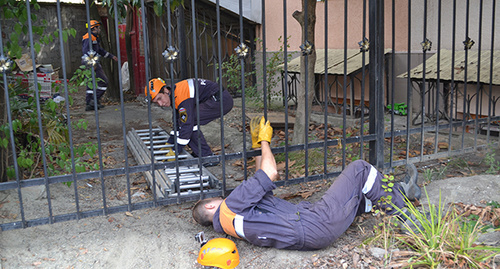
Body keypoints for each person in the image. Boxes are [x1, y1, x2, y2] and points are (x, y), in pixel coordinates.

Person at [192, 116, 421, 251]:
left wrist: (256, 147)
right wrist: (264, 140)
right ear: (212, 206)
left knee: (359, 195)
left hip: (311, 234)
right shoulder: (229, 205)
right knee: (360, 169)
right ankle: (408, 220)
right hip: (316, 222)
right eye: (219, 199)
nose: (226, 197)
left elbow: (257, 182)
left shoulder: (230, 223)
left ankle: (399, 190)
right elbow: (270, 173)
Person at [145, 78, 234, 160]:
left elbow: (186, 124)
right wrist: (171, 141)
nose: (160, 104)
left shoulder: (181, 96)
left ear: (165, 90)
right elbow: (176, 118)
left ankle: (206, 156)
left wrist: (176, 150)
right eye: (156, 102)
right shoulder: (173, 93)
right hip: (214, 98)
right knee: (186, 120)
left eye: (159, 98)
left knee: (190, 121)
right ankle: (200, 152)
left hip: (221, 100)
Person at [82, 20, 118, 111]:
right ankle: (93, 101)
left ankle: (92, 102)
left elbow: (100, 50)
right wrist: (92, 64)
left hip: (91, 63)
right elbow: (86, 52)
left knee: (92, 83)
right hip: (91, 63)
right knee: (103, 81)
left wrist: (111, 56)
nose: (100, 29)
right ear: (94, 28)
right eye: (98, 27)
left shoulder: (94, 38)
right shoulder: (89, 38)